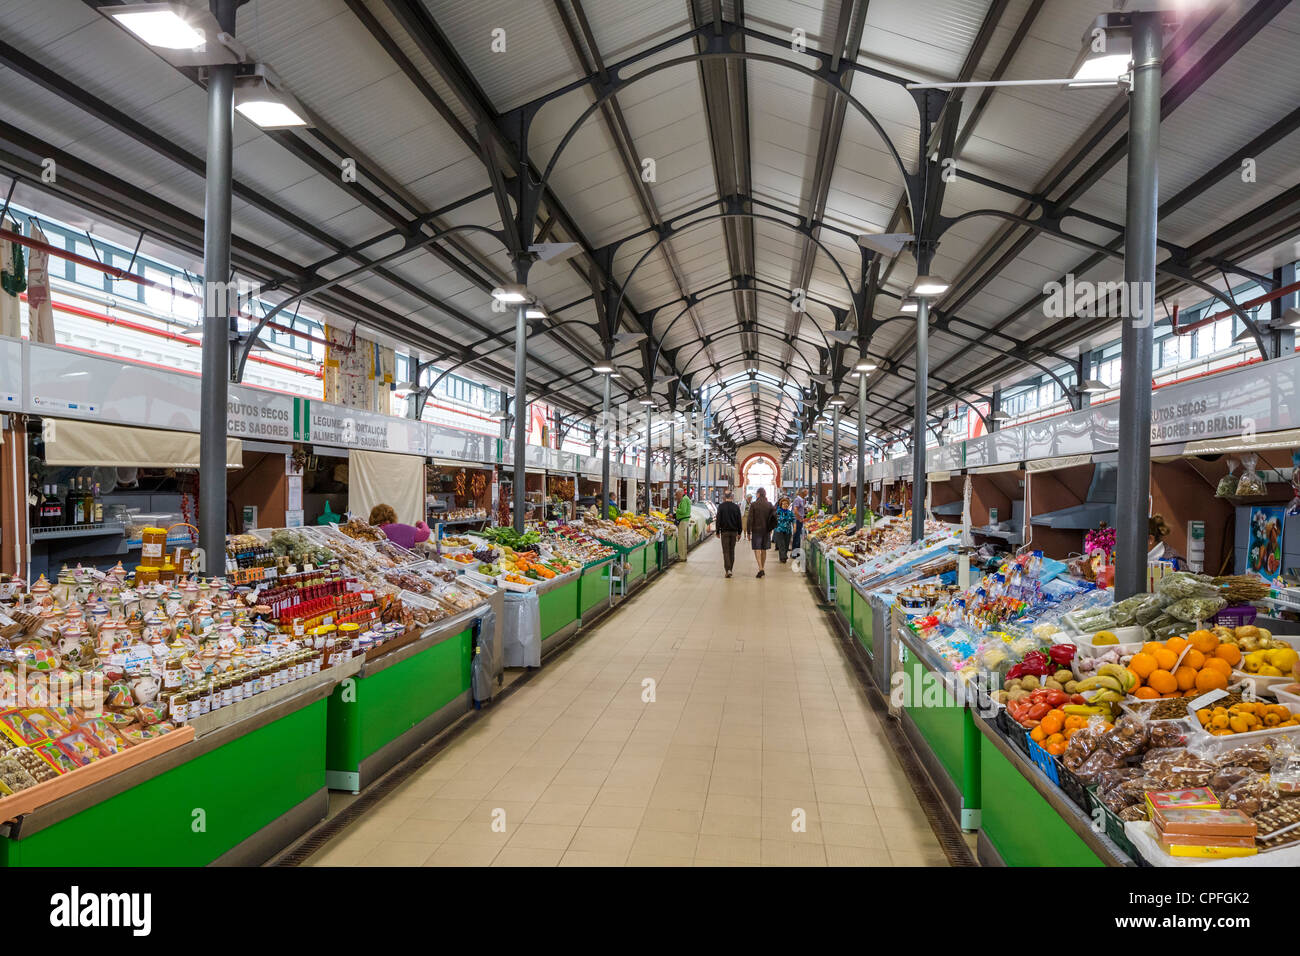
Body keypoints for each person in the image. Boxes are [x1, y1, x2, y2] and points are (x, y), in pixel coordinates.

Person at [746, 488, 775, 578]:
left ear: (758, 494)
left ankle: (760, 568)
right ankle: (762, 567)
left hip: (756, 530)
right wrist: (771, 529)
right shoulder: (769, 504)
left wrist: (748, 532)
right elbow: (774, 517)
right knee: (764, 549)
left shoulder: (754, 504)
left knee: (757, 549)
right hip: (766, 531)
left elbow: (750, 519)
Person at [715, 490, 742, 578]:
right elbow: (739, 520)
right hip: (734, 532)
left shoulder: (721, 507)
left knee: (726, 551)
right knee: (732, 551)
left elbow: (718, 519)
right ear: (732, 497)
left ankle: (728, 570)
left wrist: (717, 531)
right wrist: (739, 532)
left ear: (724, 497)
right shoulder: (736, 507)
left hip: (724, 532)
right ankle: (730, 569)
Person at [773, 496, 795, 564]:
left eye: (786, 504)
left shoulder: (790, 513)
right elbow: (772, 520)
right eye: (783, 504)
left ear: (788, 505)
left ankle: (782, 557)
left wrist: (794, 526)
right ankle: (783, 557)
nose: (785, 505)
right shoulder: (777, 512)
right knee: (781, 544)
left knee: (786, 544)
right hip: (779, 530)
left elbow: (793, 520)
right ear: (781, 505)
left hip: (788, 531)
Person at [675, 488, 693, 563]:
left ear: (681, 493)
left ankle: (682, 557)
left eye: (677, 494)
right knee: (683, 539)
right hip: (683, 521)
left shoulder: (684, 499)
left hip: (683, 521)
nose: (676, 496)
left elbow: (683, 511)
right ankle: (683, 556)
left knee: (681, 540)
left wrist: (676, 509)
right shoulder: (686, 498)